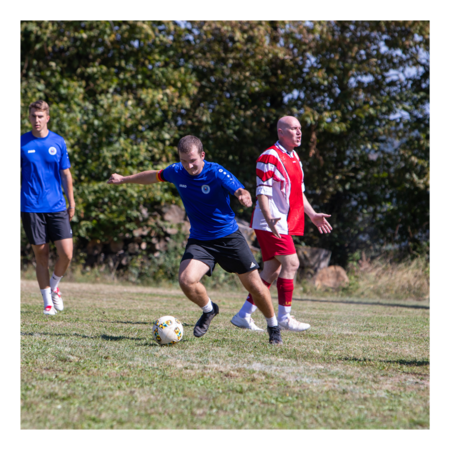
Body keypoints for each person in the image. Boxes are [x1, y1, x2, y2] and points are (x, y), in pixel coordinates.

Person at [108, 136, 283, 345]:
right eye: (184, 161)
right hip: (201, 240)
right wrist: (124, 179)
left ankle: (273, 327)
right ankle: (209, 310)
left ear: (202, 155)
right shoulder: (176, 171)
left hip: (228, 238)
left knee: (255, 286)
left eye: (193, 160)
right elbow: (153, 176)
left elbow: (238, 188)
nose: (189, 166)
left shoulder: (215, 172)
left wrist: (243, 195)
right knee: (186, 281)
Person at [232, 117, 333, 332]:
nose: (299, 132)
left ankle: (243, 315)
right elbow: (262, 191)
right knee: (292, 264)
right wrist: (269, 218)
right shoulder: (269, 156)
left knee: (271, 271)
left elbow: (298, 192)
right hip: (270, 222)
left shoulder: (295, 157)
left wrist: (313, 214)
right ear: (280, 132)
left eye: (300, 129)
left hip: (278, 222)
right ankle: (285, 317)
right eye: (293, 128)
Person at [19, 101, 75, 316]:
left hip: (57, 206)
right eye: (33, 116)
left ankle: (54, 286)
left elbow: (66, 174)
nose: (36, 120)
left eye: (40, 116)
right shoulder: (22, 143)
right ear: (29, 117)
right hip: (31, 207)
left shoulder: (58, 142)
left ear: (47, 118)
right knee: (41, 256)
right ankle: (47, 303)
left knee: (66, 254)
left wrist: (72, 203)